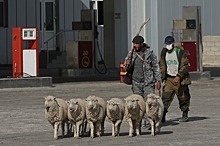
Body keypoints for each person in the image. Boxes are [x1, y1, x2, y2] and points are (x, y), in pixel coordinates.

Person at [124, 35, 162, 128]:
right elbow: (126, 67)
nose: (135, 45)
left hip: (148, 82)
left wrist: (158, 80)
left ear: (142, 44)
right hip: (136, 82)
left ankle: (150, 121)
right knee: (138, 103)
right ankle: (139, 121)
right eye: (134, 43)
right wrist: (127, 64)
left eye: (136, 44)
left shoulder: (150, 54)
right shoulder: (131, 54)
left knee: (149, 102)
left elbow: (156, 67)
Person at [159, 36, 191, 122]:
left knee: (183, 97)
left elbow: (184, 66)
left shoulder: (180, 52)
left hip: (180, 80)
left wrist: (179, 76)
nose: (168, 45)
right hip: (169, 79)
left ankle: (185, 114)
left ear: (173, 43)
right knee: (165, 97)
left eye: (169, 44)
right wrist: (161, 78)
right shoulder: (164, 53)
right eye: (166, 44)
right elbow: (162, 65)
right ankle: (163, 115)